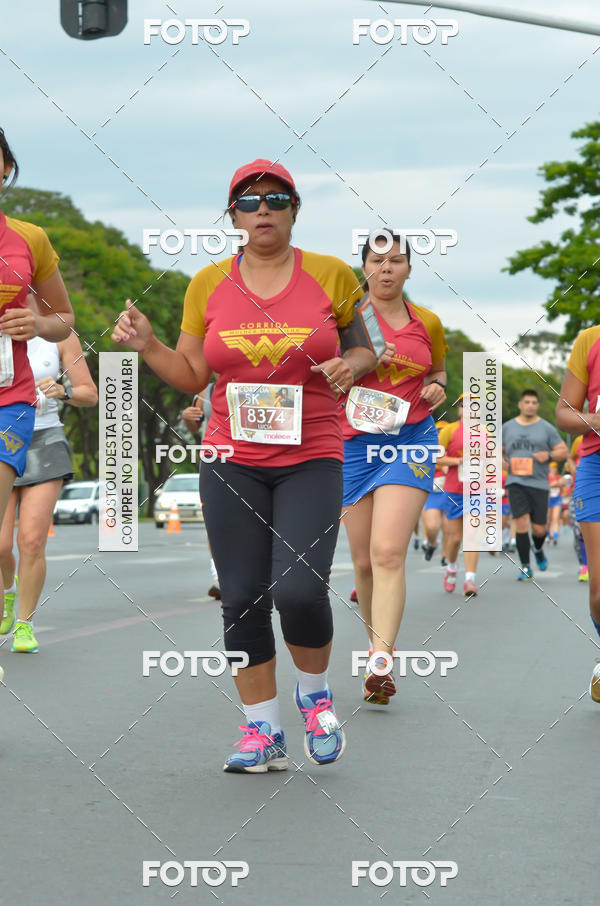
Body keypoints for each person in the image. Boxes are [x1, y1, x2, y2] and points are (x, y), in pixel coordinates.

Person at [112, 159, 376, 771]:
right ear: (232, 215)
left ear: (294, 210)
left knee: (300, 590)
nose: (263, 210)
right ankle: (263, 732)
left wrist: (353, 365)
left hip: (311, 453)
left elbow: (365, 348)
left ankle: (315, 697)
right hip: (231, 458)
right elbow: (191, 375)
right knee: (241, 597)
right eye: (249, 201)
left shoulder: (332, 275)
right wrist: (148, 345)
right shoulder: (207, 283)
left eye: (277, 199)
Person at [340, 231, 447, 706]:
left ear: (409, 269)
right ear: (363, 267)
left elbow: (437, 370)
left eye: (397, 261)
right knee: (364, 561)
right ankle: (374, 645)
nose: (387, 268)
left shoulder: (428, 322)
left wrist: (438, 386)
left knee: (387, 552)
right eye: (378, 260)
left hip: (411, 441)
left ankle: (381, 660)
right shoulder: (344, 320)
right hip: (353, 445)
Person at [0, 128, 74, 679]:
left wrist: (36, 323)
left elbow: (63, 318)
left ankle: (22, 619)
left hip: (12, 402)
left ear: (5, 167)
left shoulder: (29, 239)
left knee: (22, 535)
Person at [0, 331, 97, 651]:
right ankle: (8, 590)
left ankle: (24, 625)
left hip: (45, 442)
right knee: (2, 545)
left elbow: (90, 394)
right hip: (4, 436)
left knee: (31, 540)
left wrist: (63, 391)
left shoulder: (59, 334)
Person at [556, 331, 600, 701]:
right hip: (595, 465)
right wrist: (595, 419)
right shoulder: (590, 339)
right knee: (599, 592)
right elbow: (564, 413)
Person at [503, 389, 568, 579]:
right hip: (515, 482)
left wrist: (549, 455)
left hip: (539, 484)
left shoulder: (546, 428)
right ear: (520, 404)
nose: (530, 405)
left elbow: (563, 451)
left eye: (534, 402)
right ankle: (525, 566)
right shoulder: (507, 427)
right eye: (527, 402)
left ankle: (538, 549)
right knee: (521, 522)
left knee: (539, 529)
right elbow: (497, 450)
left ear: (537, 405)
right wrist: (502, 462)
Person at [181, 382, 221, 599]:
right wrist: (188, 417)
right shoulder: (208, 391)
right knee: (216, 522)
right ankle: (220, 578)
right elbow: (195, 426)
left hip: (257, 462)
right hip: (215, 461)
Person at [437, 397, 480, 596]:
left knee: (472, 535)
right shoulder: (449, 430)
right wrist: (459, 461)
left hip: (476, 491)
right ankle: (452, 568)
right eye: (465, 405)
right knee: (455, 539)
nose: (469, 409)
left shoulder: (485, 432)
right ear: (459, 409)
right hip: (454, 490)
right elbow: (436, 457)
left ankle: (470, 580)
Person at [421, 421, 449, 562]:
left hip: (449, 491)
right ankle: (432, 543)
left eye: (443, 431)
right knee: (432, 526)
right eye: (438, 431)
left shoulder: (453, 449)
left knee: (448, 528)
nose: (440, 434)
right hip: (433, 492)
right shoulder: (427, 448)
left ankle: (445, 556)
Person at [546, 462, 562, 544]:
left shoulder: (559, 477)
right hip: (548, 499)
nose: (554, 469)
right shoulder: (546, 477)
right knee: (548, 519)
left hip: (557, 499)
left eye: (555, 467)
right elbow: (544, 486)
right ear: (549, 468)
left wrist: (560, 483)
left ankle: (555, 536)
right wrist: (552, 485)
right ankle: (548, 534)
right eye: (552, 467)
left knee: (555, 518)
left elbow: (564, 485)